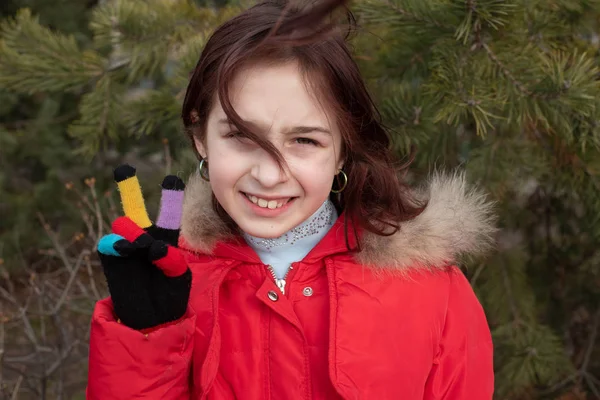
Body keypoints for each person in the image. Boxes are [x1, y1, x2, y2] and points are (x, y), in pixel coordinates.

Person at [86, 0, 496, 398]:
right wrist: (145, 339)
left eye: (304, 140)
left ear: (341, 151)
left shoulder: (431, 291)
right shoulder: (165, 279)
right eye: (242, 136)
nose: (268, 175)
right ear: (201, 139)